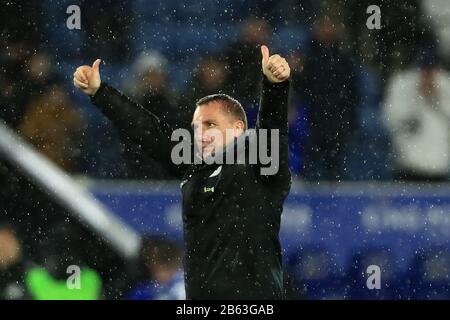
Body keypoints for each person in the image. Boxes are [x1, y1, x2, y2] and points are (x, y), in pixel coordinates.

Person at [73, 45, 291, 299]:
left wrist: (275, 87)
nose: (201, 134)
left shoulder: (261, 167)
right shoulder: (194, 168)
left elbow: (272, 132)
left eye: (210, 125)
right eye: (196, 127)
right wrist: (100, 93)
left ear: (238, 129)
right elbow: (148, 131)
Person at [383, 50, 450, 182]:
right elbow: (391, 120)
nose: (427, 76)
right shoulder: (402, 84)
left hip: (439, 166)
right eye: (424, 70)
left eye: (431, 70)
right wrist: (416, 97)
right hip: (408, 165)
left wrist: (435, 99)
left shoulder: (446, 85)